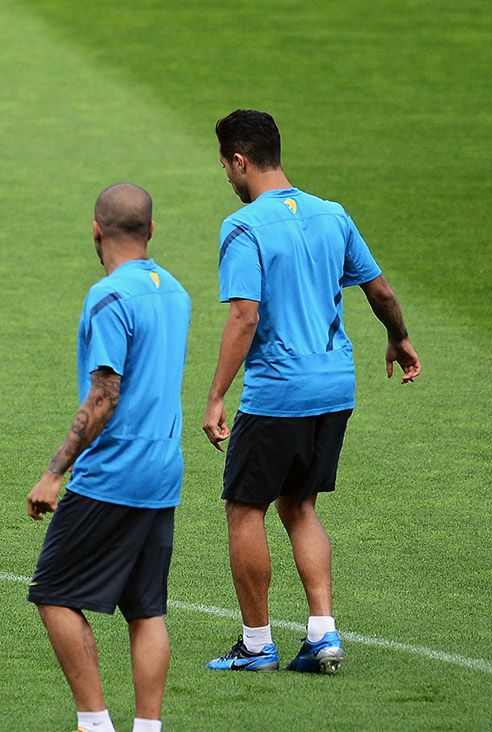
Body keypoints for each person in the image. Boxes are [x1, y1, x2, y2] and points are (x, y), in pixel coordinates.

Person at [202, 109, 420, 674]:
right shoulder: (332, 214)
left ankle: (255, 644)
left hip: (278, 389)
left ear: (241, 160)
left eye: (226, 165)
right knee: (299, 505)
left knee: (245, 506)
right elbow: (382, 290)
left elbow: (244, 317)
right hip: (335, 386)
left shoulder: (244, 226)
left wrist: (216, 395)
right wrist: (398, 338)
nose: (227, 176)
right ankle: (323, 633)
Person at [27, 184, 191, 732]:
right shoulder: (175, 292)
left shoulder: (108, 297)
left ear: (96, 230)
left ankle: (95, 724)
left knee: (53, 594)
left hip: (112, 473)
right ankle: (149, 727)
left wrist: (55, 473)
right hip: (164, 471)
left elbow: (104, 395)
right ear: (151, 229)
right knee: (146, 611)